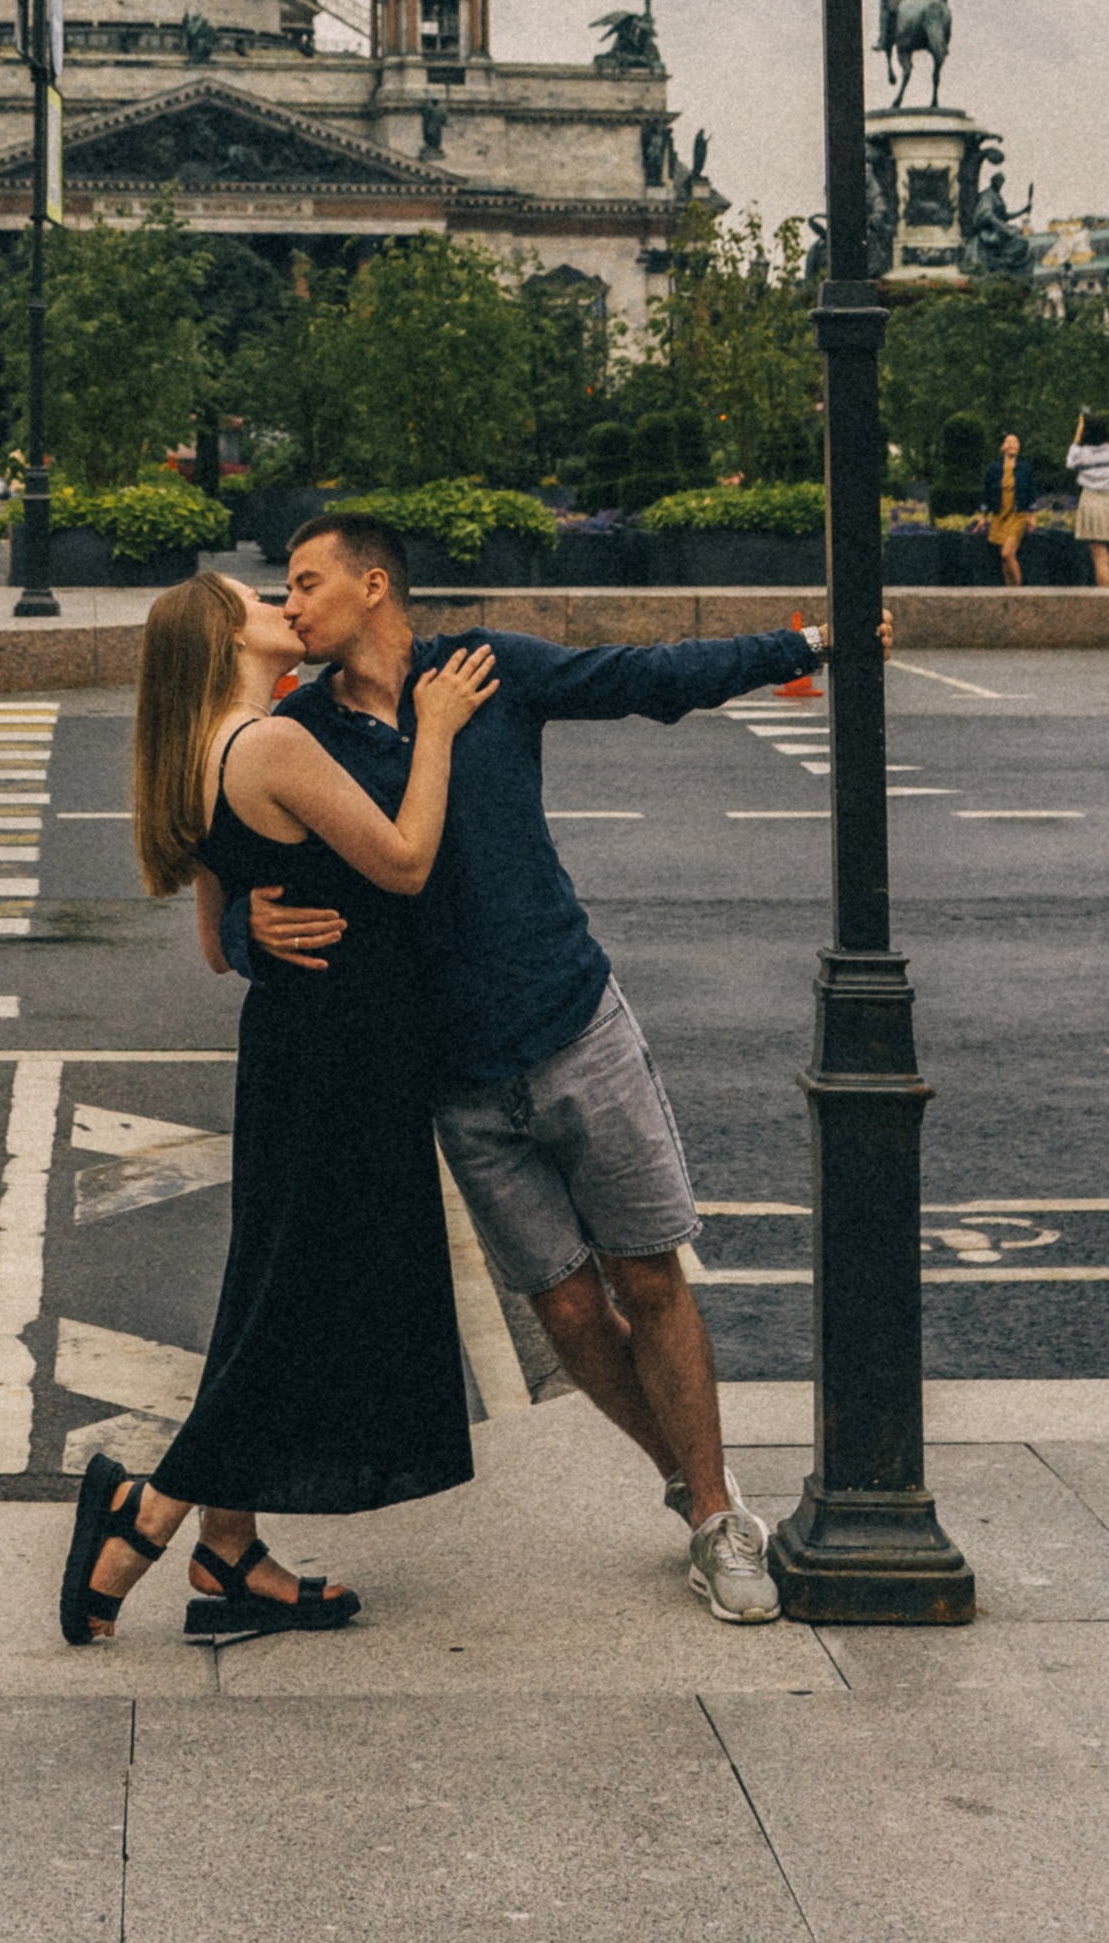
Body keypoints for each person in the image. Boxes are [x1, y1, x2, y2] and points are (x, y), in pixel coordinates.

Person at [239, 516, 871, 1628]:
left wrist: (807, 644)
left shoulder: (486, 669)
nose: (289, 607)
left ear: (373, 584)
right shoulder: (301, 729)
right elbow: (242, 851)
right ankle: (687, 1479)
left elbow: (645, 679)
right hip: (454, 1075)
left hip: (574, 1022)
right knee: (569, 1316)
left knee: (647, 1280)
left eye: (305, 583)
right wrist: (248, 929)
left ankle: (715, 1514)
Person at [59, 572, 496, 1648]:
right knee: (297, 1300)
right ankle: (144, 1520)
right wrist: (435, 728)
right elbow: (401, 862)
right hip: (346, 1056)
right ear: (223, 634)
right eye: (255, 596)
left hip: (292, 1050)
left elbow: (217, 947)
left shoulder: (200, 754)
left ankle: (229, 1547)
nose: (278, 603)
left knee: (272, 1289)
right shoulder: (268, 747)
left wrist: (258, 909)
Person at [1066, 411, 1109, 588]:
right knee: (1107, 554)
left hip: (1091, 500)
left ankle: (1106, 602)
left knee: (1098, 554)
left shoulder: (1082, 453)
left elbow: (1070, 463)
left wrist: (1078, 433)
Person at [977, 432, 1037, 587]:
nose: (1012, 445)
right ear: (1002, 447)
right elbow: (986, 493)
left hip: (1018, 515)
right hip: (1000, 515)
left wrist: (1033, 516)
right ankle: (1008, 592)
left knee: (1007, 553)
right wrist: (983, 517)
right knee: (1004, 558)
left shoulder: (1025, 469)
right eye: (1008, 442)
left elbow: (1032, 493)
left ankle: (1018, 593)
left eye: (1015, 442)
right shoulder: (994, 469)